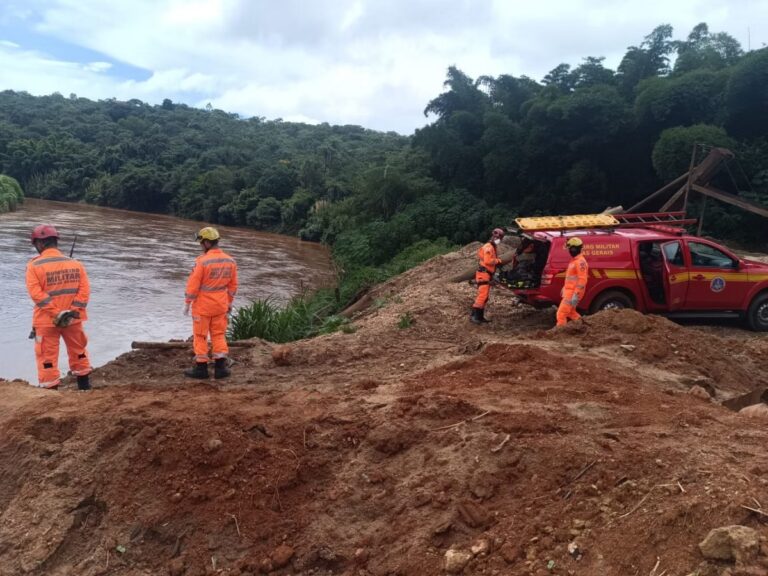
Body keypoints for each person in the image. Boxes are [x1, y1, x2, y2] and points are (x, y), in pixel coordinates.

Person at [25, 224, 92, 390]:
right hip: (73, 320)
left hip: (47, 321)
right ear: (55, 241)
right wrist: (72, 313)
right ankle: (84, 388)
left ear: (40, 244)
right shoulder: (77, 264)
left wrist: (57, 314)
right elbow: (84, 292)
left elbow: (37, 295)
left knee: (47, 358)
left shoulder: (34, 266)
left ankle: (51, 394)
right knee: (79, 352)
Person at [184, 227, 238, 379]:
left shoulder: (202, 262)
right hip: (220, 305)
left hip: (203, 307)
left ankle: (201, 369)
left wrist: (187, 302)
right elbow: (233, 286)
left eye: (201, 242)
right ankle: (220, 368)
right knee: (219, 335)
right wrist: (229, 303)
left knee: (200, 336)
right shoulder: (230, 260)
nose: (201, 246)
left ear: (207, 243)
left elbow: (193, 285)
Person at [471, 228, 505, 324]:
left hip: (486, 274)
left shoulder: (492, 246)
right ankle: (474, 316)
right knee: (482, 296)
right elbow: (488, 261)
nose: (499, 240)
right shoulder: (489, 247)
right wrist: (498, 261)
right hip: (483, 274)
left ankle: (480, 317)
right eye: (499, 238)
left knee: (485, 296)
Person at [556, 237, 589, 327]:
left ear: (574, 248)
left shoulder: (580, 262)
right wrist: (564, 288)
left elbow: (583, 279)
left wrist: (576, 294)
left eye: (570, 249)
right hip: (569, 291)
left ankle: (560, 333)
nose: (569, 251)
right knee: (571, 312)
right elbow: (571, 278)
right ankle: (584, 327)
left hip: (573, 293)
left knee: (561, 314)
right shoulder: (574, 261)